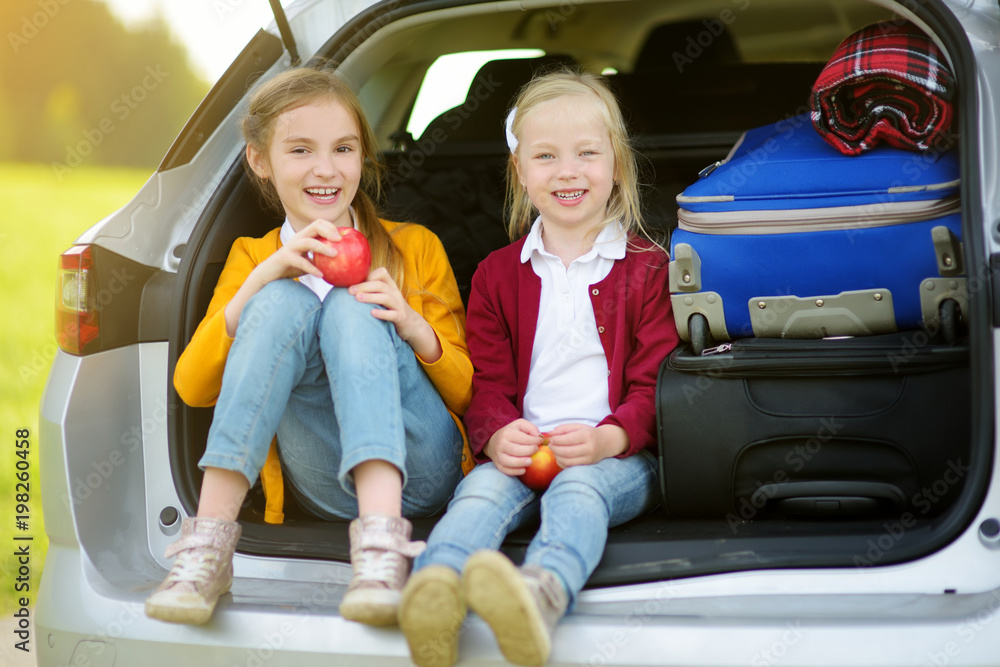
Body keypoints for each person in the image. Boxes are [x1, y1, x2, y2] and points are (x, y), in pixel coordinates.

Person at [144, 66, 474, 627]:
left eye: (343, 148)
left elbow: (468, 394)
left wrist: (411, 324)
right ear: (260, 160)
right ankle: (208, 549)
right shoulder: (251, 257)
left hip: (423, 462)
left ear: (363, 157)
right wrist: (257, 285)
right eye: (300, 150)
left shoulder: (414, 247)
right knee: (278, 304)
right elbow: (191, 389)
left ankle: (381, 551)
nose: (326, 170)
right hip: (323, 479)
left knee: (353, 305)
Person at [397, 70, 679, 667]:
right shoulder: (498, 275)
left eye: (586, 154)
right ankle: (435, 592)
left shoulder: (650, 269)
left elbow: (658, 383)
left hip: (617, 458)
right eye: (545, 156)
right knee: (475, 495)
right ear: (520, 172)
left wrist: (611, 437)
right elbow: (488, 384)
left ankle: (540, 593)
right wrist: (497, 434)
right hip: (526, 450)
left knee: (578, 491)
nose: (567, 171)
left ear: (617, 167)